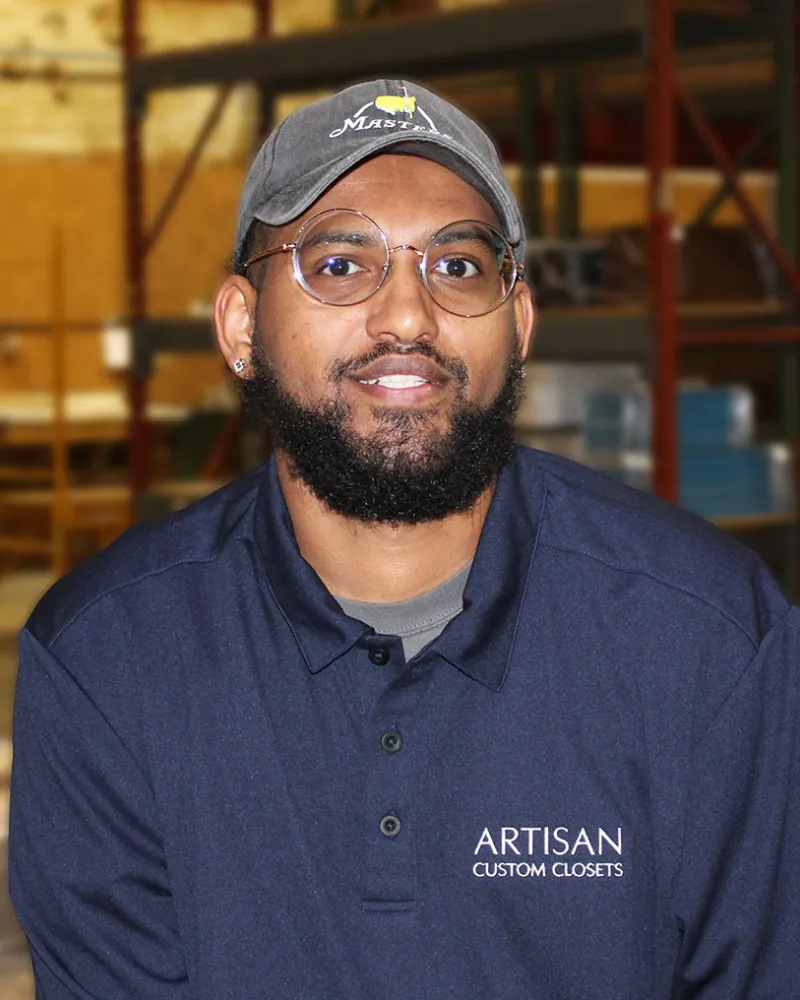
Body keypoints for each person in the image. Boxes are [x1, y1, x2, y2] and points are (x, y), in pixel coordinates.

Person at [9, 78, 800, 1000]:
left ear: (522, 323)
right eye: (340, 264)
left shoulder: (709, 638)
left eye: (456, 265)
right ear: (240, 327)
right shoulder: (108, 660)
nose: (407, 317)